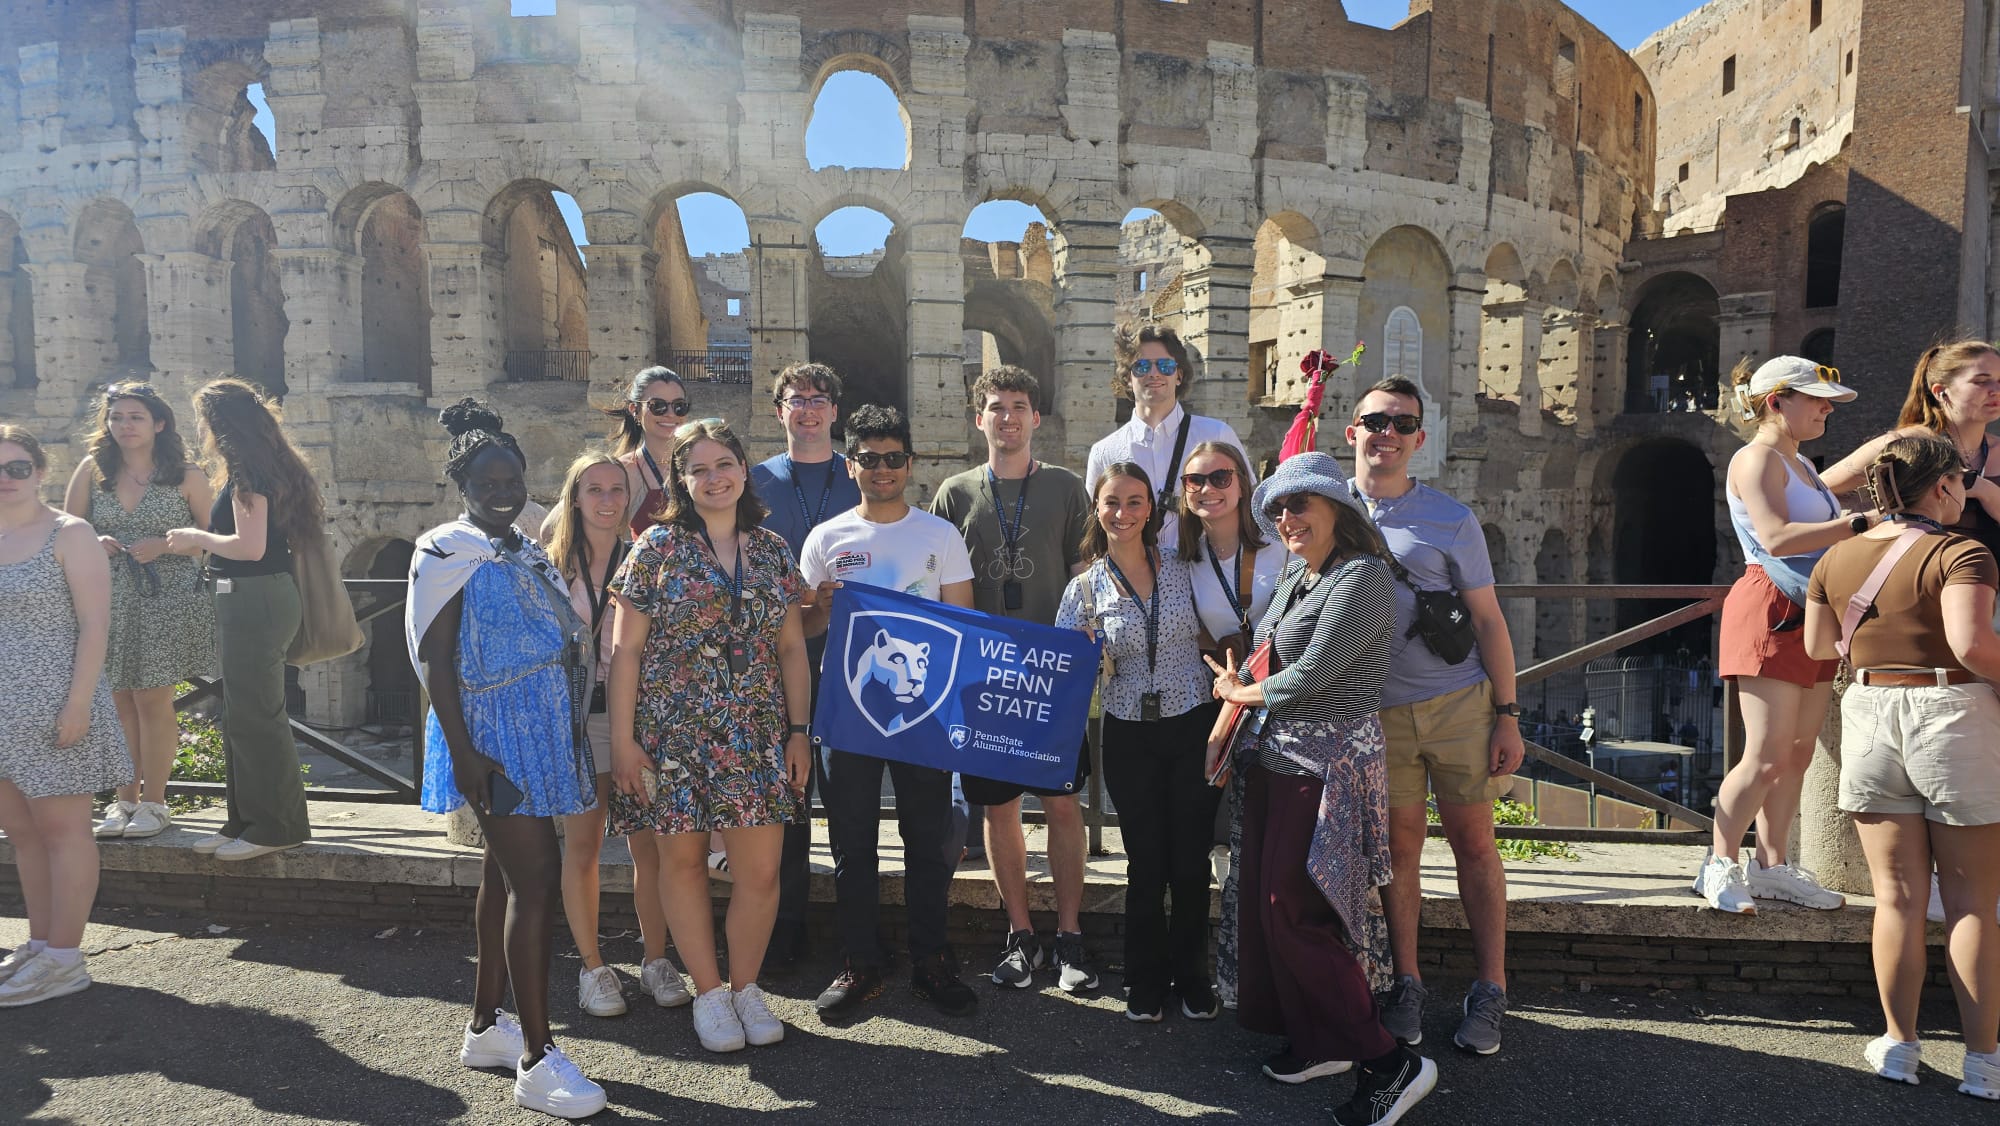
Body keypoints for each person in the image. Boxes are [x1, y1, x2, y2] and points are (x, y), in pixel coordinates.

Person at [1202, 451, 1436, 1126]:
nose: (1287, 517)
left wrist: (1238, 695)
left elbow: (1315, 675)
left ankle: (1390, 1063)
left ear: (1338, 508)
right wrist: (1238, 692)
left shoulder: (1363, 576)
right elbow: (1271, 654)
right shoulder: (1300, 575)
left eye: (1300, 503)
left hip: (1327, 765)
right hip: (1278, 758)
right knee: (1272, 905)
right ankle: (1322, 1039)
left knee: (1295, 910)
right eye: (1278, 508)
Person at [407, 400, 606, 1118]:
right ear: (461, 486)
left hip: (538, 731)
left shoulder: (522, 545)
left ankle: (487, 1026)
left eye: (512, 480)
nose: (501, 492)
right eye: (486, 483)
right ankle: (537, 1060)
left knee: (503, 876)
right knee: (538, 881)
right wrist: (464, 755)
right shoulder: (445, 550)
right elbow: (436, 661)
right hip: (490, 738)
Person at [1802, 434, 2000, 1100]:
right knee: (1972, 904)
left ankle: (1899, 1047)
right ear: (1942, 487)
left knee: (1897, 899)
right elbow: (1974, 645)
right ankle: (1984, 1065)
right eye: (1962, 483)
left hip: (1869, 710)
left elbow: (1819, 645)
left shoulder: (1836, 556)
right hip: (1950, 714)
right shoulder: (1960, 552)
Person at [605, 417, 811, 1054]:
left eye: (724, 464)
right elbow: (625, 653)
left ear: (744, 469)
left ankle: (746, 987)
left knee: (761, 871)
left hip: (756, 733)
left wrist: (799, 732)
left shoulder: (773, 550)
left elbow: (792, 649)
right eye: (698, 469)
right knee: (684, 863)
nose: (714, 477)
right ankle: (710, 992)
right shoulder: (656, 548)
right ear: (681, 481)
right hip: (672, 734)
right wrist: (622, 743)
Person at [1344, 377, 1524, 1055]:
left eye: (1401, 424)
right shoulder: (1329, 510)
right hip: (1379, 713)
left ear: (1420, 438)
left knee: (1475, 845)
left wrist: (1507, 714)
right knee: (1401, 852)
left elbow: (1489, 620)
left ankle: (1491, 987)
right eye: (1375, 421)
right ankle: (1408, 983)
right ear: (1352, 431)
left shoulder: (1451, 518)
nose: (1386, 434)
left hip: (1458, 705)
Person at [798, 405, 980, 1021]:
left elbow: (962, 624)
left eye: (893, 458)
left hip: (923, 712)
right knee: (852, 842)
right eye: (869, 459)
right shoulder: (826, 538)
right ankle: (860, 960)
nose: (883, 469)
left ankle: (931, 958)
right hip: (846, 713)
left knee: (926, 840)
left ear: (910, 463)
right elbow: (802, 628)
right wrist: (820, 610)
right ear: (851, 465)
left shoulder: (939, 535)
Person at [931, 366, 1097, 993]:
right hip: (983, 677)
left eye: (1019, 406)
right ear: (979, 419)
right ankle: (1021, 934)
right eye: (996, 407)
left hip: (1050, 675)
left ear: (1036, 418)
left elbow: (1086, 577)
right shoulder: (954, 493)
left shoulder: (1066, 487)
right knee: (998, 809)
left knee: (1062, 804)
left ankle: (1071, 935)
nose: (1008, 417)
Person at [1697, 357, 1870, 915]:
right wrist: (1859, 524)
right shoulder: (1756, 458)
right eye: (1816, 399)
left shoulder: (1804, 466)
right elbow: (1774, 537)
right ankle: (1718, 862)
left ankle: (1772, 868)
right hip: (1770, 603)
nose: (1827, 409)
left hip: (1811, 608)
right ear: (1776, 401)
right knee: (1766, 755)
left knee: (1796, 753)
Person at [1055, 462, 1218, 1022]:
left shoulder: (1185, 567)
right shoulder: (1083, 588)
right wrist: (1083, 653)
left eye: (1133, 502)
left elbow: (1221, 625)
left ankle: (1193, 977)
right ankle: (1144, 979)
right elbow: (1064, 672)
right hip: (1127, 731)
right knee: (1145, 861)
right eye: (1111, 502)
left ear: (1150, 509)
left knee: (1190, 860)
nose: (1121, 513)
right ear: (1096, 510)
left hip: (1192, 721)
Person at [538, 452, 689, 1018]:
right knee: (583, 846)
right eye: (594, 489)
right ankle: (594, 967)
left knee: (651, 847)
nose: (607, 500)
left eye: (616, 490)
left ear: (630, 498)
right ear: (575, 498)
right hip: (579, 719)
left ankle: (656, 959)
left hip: (640, 717)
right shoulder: (551, 567)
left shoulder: (646, 559)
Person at [0, 425, 132, 1007]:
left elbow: (95, 625)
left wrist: (79, 704)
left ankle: (64, 959)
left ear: (40, 472)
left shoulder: (69, 532)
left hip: (57, 704)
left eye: (17, 467)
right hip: (4, 711)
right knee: (23, 834)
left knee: (64, 832)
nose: (6, 479)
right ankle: (40, 944)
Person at [162, 379, 319, 861]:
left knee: (257, 717)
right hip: (250, 599)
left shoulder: (250, 472)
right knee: (241, 715)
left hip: (256, 599)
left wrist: (196, 537)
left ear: (220, 423)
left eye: (202, 419)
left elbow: (249, 548)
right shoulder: (257, 466)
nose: (199, 429)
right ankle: (244, 822)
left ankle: (277, 827)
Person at [63, 382, 214, 841]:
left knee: (152, 699)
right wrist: (93, 541)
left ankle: (155, 802)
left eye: (135, 417)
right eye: (117, 417)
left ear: (159, 424)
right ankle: (124, 800)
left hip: (167, 600)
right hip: (106, 599)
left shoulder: (187, 474)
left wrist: (167, 545)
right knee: (118, 701)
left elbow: (212, 540)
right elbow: (65, 531)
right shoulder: (92, 470)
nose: (124, 425)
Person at [748, 361, 860, 974]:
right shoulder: (754, 481)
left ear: (835, 411)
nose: (809, 409)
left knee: (847, 799)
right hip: (775, 658)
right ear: (780, 411)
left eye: (819, 399)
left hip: (848, 659)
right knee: (787, 799)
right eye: (797, 399)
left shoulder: (860, 475)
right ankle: (784, 924)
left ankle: (853, 932)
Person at [1179, 439, 1286, 1009]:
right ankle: (1245, 977)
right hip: (1229, 705)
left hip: (1288, 708)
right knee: (1237, 843)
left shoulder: (1278, 545)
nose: (1208, 490)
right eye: (1195, 481)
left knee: (1280, 843)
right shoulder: (1186, 555)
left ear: (1243, 484)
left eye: (1221, 478)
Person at [1822, 341, 2000, 558]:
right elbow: (1813, 491)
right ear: (1940, 391)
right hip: (1915, 573)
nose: (1996, 390)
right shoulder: (1903, 445)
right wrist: (1871, 519)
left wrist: (1987, 493)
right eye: (1981, 381)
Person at [1085, 325, 1252, 551]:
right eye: (1142, 366)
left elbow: (1249, 503)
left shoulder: (1217, 434)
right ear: (1127, 378)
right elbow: (1097, 526)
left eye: (1165, 366)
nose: (1154, 373)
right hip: (1136, 570)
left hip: (1206, 567)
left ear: (1179, 375)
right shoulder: (1104, 451)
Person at [606, 365, 691, 537]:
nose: (670, 414)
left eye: (679, 406)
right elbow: (556, 527)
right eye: (657, 406)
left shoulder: (704, 463)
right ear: (635, 410)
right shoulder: (622, 472)